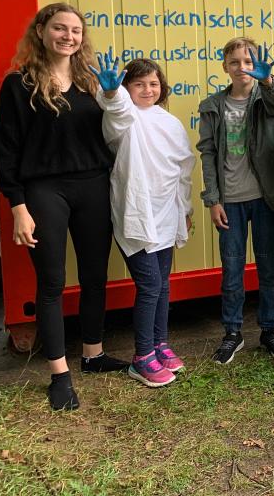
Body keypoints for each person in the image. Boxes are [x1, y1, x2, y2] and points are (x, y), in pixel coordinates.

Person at [0, 3, 126, 410]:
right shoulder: (19, 84)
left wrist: (111, 93)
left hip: (93, 185)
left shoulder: (90, 82)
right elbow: (6, 150)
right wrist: (17, 205)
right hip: (43, 190)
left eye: (75, 30)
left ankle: (93, 353)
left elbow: (118, 126)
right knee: (51, 283)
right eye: (59, 28)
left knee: (94, 276)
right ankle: (59, 373)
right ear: (41, 31)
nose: (68, 36)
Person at [92, 56, 195, 387]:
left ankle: (159, 344)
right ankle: (142, 357)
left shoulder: (170, 123)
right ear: (126, 87)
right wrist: (111, 94)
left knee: (163, 283)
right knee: (150, 284)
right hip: (135, 213)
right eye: (138, 84)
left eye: (153, 83)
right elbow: (117, 112)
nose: (147, 89)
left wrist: (186, 209)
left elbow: (183, 170)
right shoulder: (121, 117)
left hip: (166, 213)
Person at [197, 38, 274, 365]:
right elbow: (207, 153)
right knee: (232, 269)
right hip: (230, 203)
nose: (242, 68)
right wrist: (212, 199)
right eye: (235, 62)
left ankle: (270, 330)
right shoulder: (212, 106)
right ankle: (232, 332)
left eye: (248, 62)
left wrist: (267, 80)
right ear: (225, 66)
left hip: (264, 199)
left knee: (268, 267)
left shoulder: (263, 100)